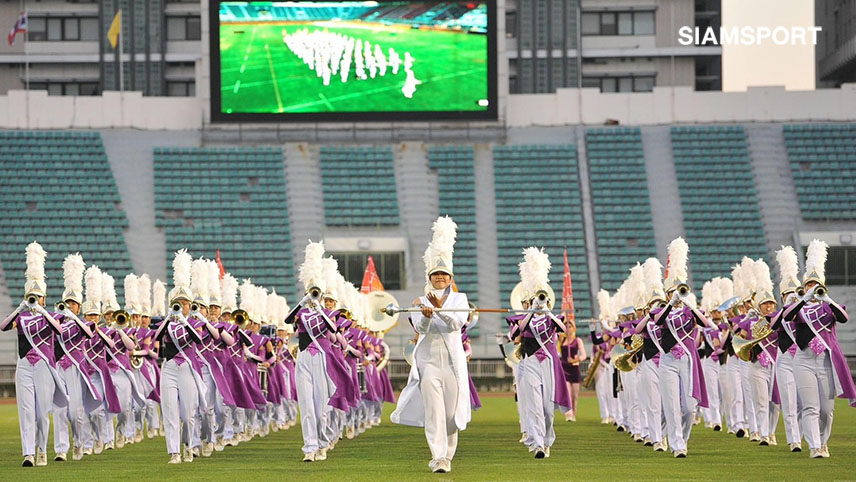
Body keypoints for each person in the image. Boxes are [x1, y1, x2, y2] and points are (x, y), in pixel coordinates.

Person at [391, 216, 470, 474]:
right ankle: (439, 457)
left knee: (450, 414)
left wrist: (439, 311)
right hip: (428, 363)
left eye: (444, 274)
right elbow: (420, 329)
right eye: (435, 274)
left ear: (450, 277)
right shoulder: (419, 300)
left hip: (452, 363)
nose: (439, 278)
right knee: (434, 410)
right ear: (430, 276)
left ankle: (449, 454)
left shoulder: (460, 299)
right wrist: (425, 315)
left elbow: (457, 324)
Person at [784, 239, 855, 458]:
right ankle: (815, 446)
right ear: (803, 287)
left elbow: (844, 318)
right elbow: (786, 316)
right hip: (803, 360)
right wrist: (803, 299)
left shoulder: (829, 307)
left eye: (815, 285)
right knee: (811, 407)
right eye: (808, 285)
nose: (812, 288)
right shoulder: (798, 307)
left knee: (827, 410)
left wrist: (828, 298)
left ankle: (824, 442)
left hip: (825, 361)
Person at [1, 242, 68, 467]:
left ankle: (42, 450)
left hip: (44, 366)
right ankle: (28, 453)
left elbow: (59, 331)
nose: (34, 300)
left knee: (41, 413)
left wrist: (42, 311)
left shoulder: (50, 316)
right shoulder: (21, 318)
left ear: (44, 298)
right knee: (26, 412)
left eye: (38, 297)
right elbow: (3, 326)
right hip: (24, 366)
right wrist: (20, 308)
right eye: (32, 296)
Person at [559, 323, 586, 421]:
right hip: (564, 368)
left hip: (574, 369)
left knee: (575, 395)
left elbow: (583, 355)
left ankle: (574, 412)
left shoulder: (577, 340)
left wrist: (575, 360)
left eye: (569, 327)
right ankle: (568, 414)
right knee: (567, 392)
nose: (568, 329)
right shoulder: (562, 340)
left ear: (573, 328)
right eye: (566, 327)